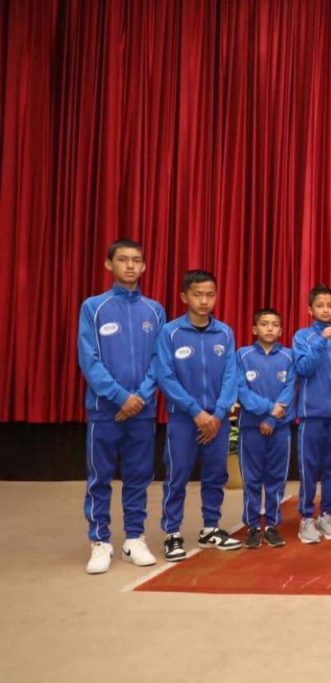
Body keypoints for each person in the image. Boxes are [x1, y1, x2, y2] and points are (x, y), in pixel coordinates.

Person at [77, 239, 166, 574]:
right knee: (99, 476)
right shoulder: (93, 307)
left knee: (138, 476)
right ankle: (100, 541)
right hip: (105, 410)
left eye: (136, 260)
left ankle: (134, 538)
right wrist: (119, 396)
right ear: (108, 264)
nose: (130, 266)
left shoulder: (154, 311)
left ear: (144, 266)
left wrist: (139, 397)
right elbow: (89, 359)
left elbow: (159, 360)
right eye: (123, 259)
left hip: (142, 410)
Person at [155, 270, 242, 561]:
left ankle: (210, 528)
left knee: (216, 474)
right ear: (184, 297)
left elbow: (231, 375)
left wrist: (218, 413)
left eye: (210, 295)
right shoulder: (170, 333)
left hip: (217, 419)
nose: (204, 301)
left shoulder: (225, 333)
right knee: (177, 475)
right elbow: (166, 376)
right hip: (184, 419)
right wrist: (196, 411)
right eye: (197, 295)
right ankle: (172, 533)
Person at [236, 308, 295, 550]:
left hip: (280, 429)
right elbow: (241, 390)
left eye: (274, 324)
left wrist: (272, 419)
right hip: (251, 427)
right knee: (251, 479)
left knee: (276, 479)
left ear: (281, 330)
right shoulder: (242, 355)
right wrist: (268, 410)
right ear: (254, 329)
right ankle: (252, 526)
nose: (269, 328)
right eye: (264, 323)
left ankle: (271, 525)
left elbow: (290, 389)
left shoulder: (289, 357)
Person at [292, 284, 331, 544]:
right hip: (311, 414)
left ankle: (326, 514)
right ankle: (306, 518)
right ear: (310, 309)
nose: (326, 310)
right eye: (320, 305)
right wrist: (321, 341)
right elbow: (303, 368)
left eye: (330, 305)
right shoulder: (303, 337)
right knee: (309, 468)